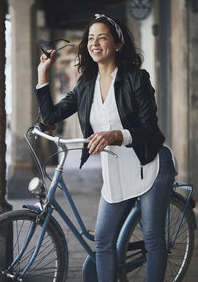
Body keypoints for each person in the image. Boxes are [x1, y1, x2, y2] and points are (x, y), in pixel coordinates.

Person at [35, 14, 177, 282]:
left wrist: (116, 135)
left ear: (118, 44)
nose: (94, 43)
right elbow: (52, 116)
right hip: (116, 173)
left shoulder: (136, 78)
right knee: (102, 242)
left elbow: (152, 132)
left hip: (150, 166)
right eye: (90, 38)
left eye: (102, 37)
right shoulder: (86, 85)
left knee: (153, 240)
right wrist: (43, 73)